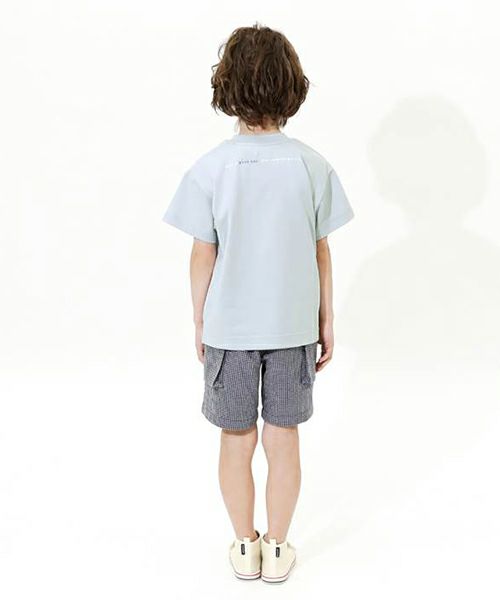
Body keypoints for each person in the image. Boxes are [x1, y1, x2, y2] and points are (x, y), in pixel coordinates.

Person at [162, 22, 354, 583]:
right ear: (292, 86)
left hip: (231, 329)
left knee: (236, 437)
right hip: (293, 325)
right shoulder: (312, 165)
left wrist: (200, 318)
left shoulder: (211, 168)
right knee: (283, 436)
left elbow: (203, 254)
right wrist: (327, 318)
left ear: (226, 87)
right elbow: (321, 251)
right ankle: (278, 545)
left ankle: (244, 545)